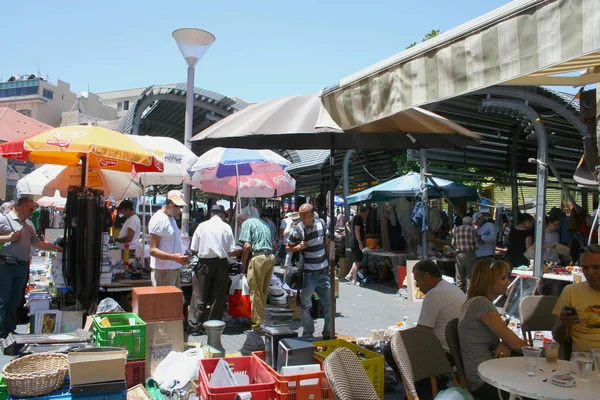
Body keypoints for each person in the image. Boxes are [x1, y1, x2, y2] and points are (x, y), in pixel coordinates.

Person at [458, 258, 528, 399]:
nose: (508, 282)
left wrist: (504, 343)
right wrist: (540, 352)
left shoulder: (474, 302)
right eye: (503, 278)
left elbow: (505, 338)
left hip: (486, 374)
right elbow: (518, 344)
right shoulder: (482, 304)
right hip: (486, 381)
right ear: (488, 280)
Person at [0, 197, 63, 338]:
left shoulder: (28, 225)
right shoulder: (3, 219)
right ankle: (1, 332)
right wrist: (8, 238)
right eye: (30, 208)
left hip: (21, 266)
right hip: (6, 265)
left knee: (15, 300)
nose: (32, 211)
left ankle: (9, 330)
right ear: (22, 206)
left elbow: (36, 243)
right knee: (3, 299)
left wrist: (55, 248)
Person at [188, 205, 236, 335]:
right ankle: (213, 327)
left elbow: (194, 249)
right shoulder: (226, 227)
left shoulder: (202, 226)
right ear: (222, 215)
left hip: (204, 263)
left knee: (199, 295)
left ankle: (195, 327)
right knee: (218, 297)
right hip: (221, 264)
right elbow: (231, 251)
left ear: (211, 214)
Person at [287, 203, 331, 340]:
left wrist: (330, 263)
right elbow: (288, 247)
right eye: (301, 217)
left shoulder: (322, 224)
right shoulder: (298, 229)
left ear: (313, 215)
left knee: (329, 303)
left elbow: (327, 244)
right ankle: (308, 333)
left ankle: (328, 332)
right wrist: (298, 247)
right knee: (305, 305)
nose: (303, 219)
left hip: (323, 271)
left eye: (305, 216)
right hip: (308, 274)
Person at [238, 213, 276, 354]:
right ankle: (263, 320)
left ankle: (257, 325)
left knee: (255, 292)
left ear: (241, 221)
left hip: (258, 258)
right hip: (270, 257)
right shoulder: (263, 223)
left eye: (239, 225)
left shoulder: (247, 224)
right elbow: (274, 244)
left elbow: (247, 245)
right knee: (263, 293)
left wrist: (243, 262)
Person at [552, 248, 600, 352]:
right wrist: (563, 324)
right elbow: (558, 338)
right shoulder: (571, 292)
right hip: (583, 360)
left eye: (596, 267)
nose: (590, 272)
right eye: (585, 267)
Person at [414, 260, 466, 350]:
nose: (417, 286)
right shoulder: (450, 288)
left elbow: (421, 332)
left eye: (417, 281)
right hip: (459, 347)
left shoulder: (434, 294)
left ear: (426, 276)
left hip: (444, 351)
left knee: (390, 350)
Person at [148, 190, 189, 287]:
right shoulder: (158, 219)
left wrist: (179, 258)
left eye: (181, 207)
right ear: (170, 203)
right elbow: (153, 250)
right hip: (164, 270)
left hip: (172, 268)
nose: (179, 210)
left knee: (174, 301)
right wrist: (174, 257)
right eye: (177, 206)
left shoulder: (171, 218)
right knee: (165, 301)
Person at [451, 215, 477, 292]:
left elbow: (453, 243)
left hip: (459, 254)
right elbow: (476, 244)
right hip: (470, 254)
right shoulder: (472, 230)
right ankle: (469, 294)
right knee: (470, 276)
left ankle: (459, 293)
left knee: (459, 276)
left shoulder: (456, 230)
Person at [345, 204, 368, 285]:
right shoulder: (358, 218)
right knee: (357, 261)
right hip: (355, 243)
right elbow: (357, 230)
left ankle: (349, 275)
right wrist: (360, 243)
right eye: (366, 214)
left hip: (353, 242)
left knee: (357, 260)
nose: (367, 216)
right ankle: (354, 279)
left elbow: (347, 224)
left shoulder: (355, 217)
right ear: (363, 212)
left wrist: (351, 233)